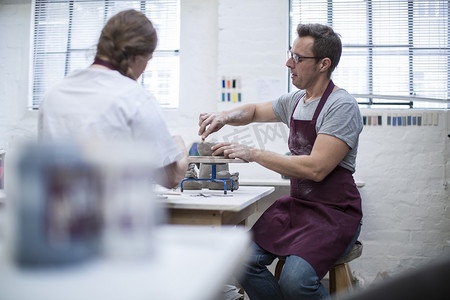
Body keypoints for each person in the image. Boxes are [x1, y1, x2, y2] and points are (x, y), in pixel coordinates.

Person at [198, 23, 363, 300]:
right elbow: (251, 111)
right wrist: (224, 115)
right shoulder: (297, 100)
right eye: (291, 54)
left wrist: (253, 153)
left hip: (334, 213)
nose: (289, 63)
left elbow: (316, 168)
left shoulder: (341, 106)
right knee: (240, 259)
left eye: (298, 58)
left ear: (324, 64)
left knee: (295, 282)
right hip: (299, 207)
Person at [38, 9, 187, 189]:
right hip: (111, 212)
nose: (145, 69)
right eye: (148, 60)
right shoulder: (136, 98)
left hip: (58, 212)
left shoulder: (54, 94)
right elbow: (171, 178)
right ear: (137, 57)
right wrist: (179, 147)